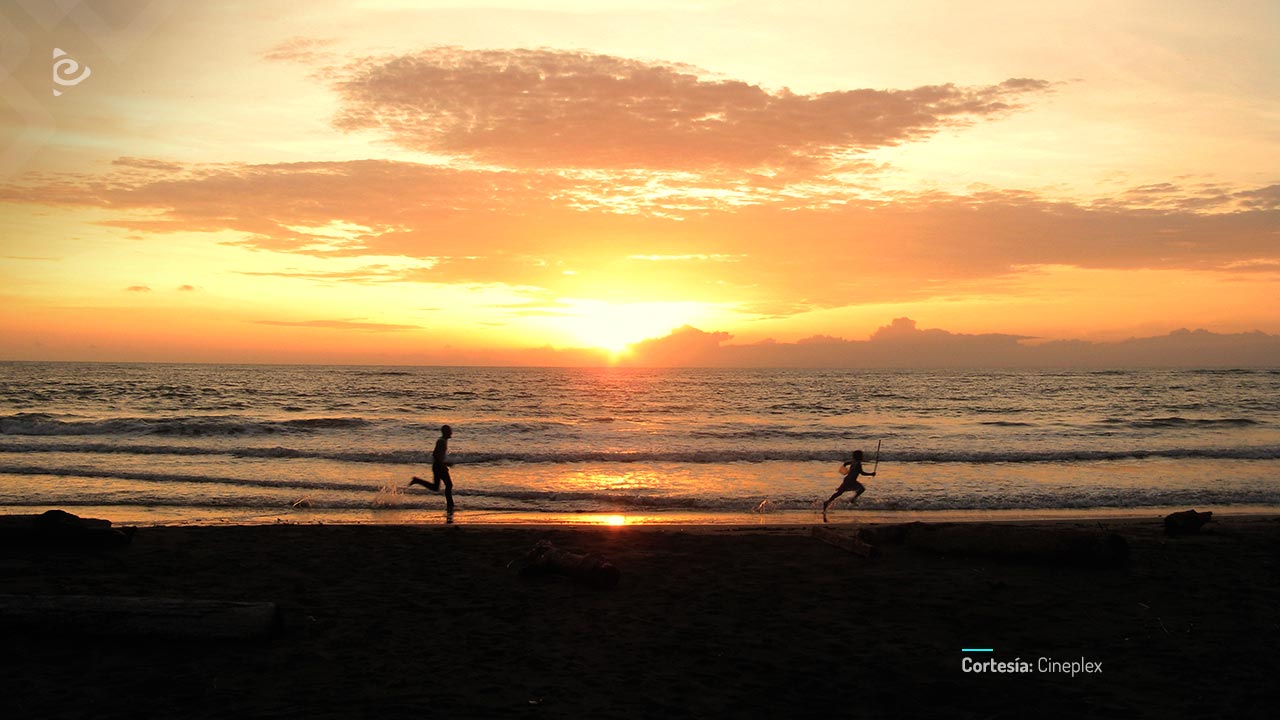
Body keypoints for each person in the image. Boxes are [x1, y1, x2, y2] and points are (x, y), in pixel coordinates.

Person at [409, 424, 454, 510]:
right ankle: (450, 505)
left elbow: (438, 456)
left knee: (436, 487)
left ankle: (417, 480)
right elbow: (435, 455)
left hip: (438, 466)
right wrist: (445, 464)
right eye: (449, 431)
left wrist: (444, 463)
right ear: (446, 432)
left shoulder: (443, 441)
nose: (451, 432)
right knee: (449, 485)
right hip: (439, 466)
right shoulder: (441, 442)